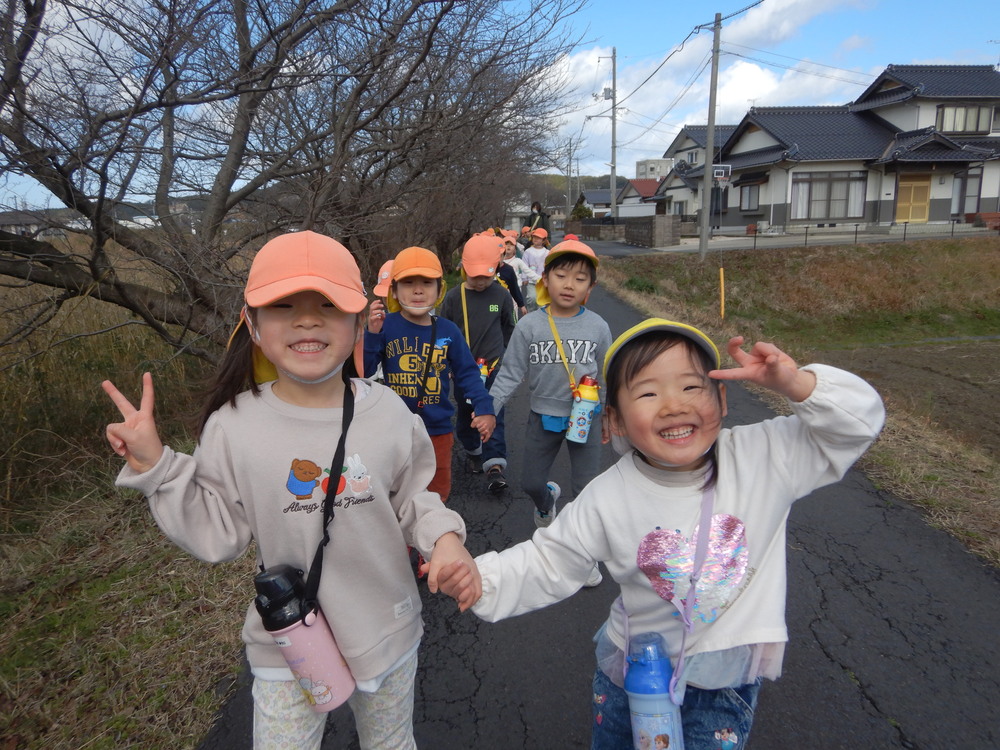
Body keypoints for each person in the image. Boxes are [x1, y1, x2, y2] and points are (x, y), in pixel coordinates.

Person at [101, 231, 482, 750]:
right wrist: (158, 467)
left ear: (358, 322)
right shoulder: (232, 425)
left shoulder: (389, 412)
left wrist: (444, 539)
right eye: (284, 306)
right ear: (253, 325)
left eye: (328, 303)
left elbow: (416, 499)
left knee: (390, 742)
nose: (307, 319)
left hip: (386, 626)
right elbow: (220, 533)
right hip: (289, 642)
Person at [457, 318, 885, 750]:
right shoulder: (609, 495)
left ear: (721, 397)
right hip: (632, 674)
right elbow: (550, 560)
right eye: (647, 392)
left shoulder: (764, 457)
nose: (673, 405)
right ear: (615, 420)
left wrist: (798, 385)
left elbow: (856, 424)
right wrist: (480, 579)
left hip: (723, 683)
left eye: (691, 387)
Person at [487, 239, 611, 587]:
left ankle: (584, 558)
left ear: (591, 287)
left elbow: (608, 373)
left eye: (580, 279)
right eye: (561, 275)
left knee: (586, 492)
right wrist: (488, 410)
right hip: (543, 417)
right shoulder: (530, 326)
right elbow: (510, 372)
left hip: (586, 417)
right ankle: (547, 502)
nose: (569, 284)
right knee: (530, 483)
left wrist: (613, 413)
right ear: (545, 278)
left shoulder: (598, 327)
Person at [364, 245, 495, 502]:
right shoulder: (386, 326)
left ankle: (431, 534)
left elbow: (468, 373)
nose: (418, 290)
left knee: (436, 486)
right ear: (394, 290)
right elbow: (366, 372)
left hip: (436, 427)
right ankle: (403, 538)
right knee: (395, 488)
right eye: (408, 282)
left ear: (439, 289)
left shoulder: (448, 331)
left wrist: (484, 407)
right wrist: (372, 334)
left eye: (426, 282)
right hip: (394, 428)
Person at [439, 233, 515, 493]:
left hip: (494, 366)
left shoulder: (502, 296)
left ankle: (494, 465)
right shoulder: (452, 297)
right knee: (466, 412)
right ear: (463, 268)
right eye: (475, 275)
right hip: (463, 370)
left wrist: (509, 360)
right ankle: (473, 450)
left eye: (487, 275)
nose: (481, 281)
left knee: (494, 412)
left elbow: (508, 328)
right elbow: (443, 333)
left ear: (498, 267)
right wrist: (447, 365)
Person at [501, 233, 540, 314]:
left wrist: (541, 280)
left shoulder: (518, 261)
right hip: (501, 291)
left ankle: (513, 325)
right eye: (506, 244)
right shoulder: (499, 262)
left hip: (515, 290)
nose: (508, 246)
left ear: (515, 249)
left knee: (513, 312)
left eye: (511, 245)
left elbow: (529, 272)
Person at [521, 227, 549, 311]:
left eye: (539, 238)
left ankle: (541, 316)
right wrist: (524, 278)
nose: (536, 239)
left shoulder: (547, 253)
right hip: (531, 280)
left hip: (543, 281)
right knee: (532, 298)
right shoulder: (528, 252)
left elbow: (550, 267)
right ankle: (531, 314)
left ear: (544, 240)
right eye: (534, 237)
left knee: (542, 301)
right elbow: (524, 265)